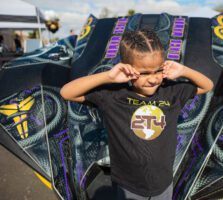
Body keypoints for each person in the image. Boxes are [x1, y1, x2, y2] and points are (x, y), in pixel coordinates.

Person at [60, 29, 214, 199]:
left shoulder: (172, 92)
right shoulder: (112, 95)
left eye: (158, 70)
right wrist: (108, 77)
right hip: (128, 185)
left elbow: (207, 85)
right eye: (144, 73)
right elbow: (67, 92)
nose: (153, 79)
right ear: (127, 68)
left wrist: (183, 70)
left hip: (163, 184)